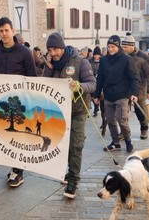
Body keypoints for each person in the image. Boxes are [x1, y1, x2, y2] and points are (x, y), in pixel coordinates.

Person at [0, 17, 37, 187]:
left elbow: (32, 77)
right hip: (2, 102)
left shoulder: (24, 52)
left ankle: (18, 172)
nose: (4, 34)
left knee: (18, 136)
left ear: (12, 31)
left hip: (20, 102)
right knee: (6, 135)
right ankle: (13, 167)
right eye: (1, 31)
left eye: (7, 30)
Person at [43, 32, 96, 199]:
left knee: (76, 146)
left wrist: (79, 86)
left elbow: (92, 84)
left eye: (56, 49)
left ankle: (73, 181)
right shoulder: (51, 64)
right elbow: (45, 84)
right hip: (59, 112)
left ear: (63, 47)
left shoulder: (81, 62)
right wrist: (49, 70)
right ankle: (69, 172)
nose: (53, 53)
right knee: (63, 146)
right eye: (50, 50)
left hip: (78, 111)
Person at [93, 35, 139, 153]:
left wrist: (134, 93)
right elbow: (100, 79)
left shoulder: (126, 59)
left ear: (118, 46)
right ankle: (115, 142)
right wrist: (97, 95)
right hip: (108, 95)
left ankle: (128, 141)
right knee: (110, 120)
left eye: (113, 46)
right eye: (108, 47)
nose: (110, 49)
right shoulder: (104, 60)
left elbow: (134, 77)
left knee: (121, 119)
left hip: (122, 95)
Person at [121, 33, 149, 139]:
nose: (123, 49)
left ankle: (144, 129)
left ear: (132, 46)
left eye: (125, 47)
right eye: (122, 47)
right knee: (123, 111)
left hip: (140, 89)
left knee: (140, 110)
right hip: (125, 88)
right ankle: (124, 132)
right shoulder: (122, 56)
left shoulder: (143, 57)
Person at [89, 46, 101, 117]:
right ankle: (96, 107)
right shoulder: (90, 61)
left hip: (99, 81)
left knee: (97, 95)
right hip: (92, 80)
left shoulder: (102, 61)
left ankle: (96, 109)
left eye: (98, 55)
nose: (96, 56)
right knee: (92, 96)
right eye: (95, 55)